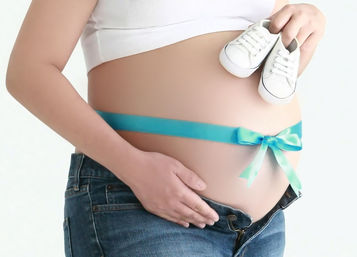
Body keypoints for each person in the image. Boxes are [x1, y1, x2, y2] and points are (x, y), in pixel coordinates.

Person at [5, 0, 326, 256]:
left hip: (263, 227)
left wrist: (306, 23)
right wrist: (132, 167)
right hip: (143, 209)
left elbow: (271, 69)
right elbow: (29, 72)